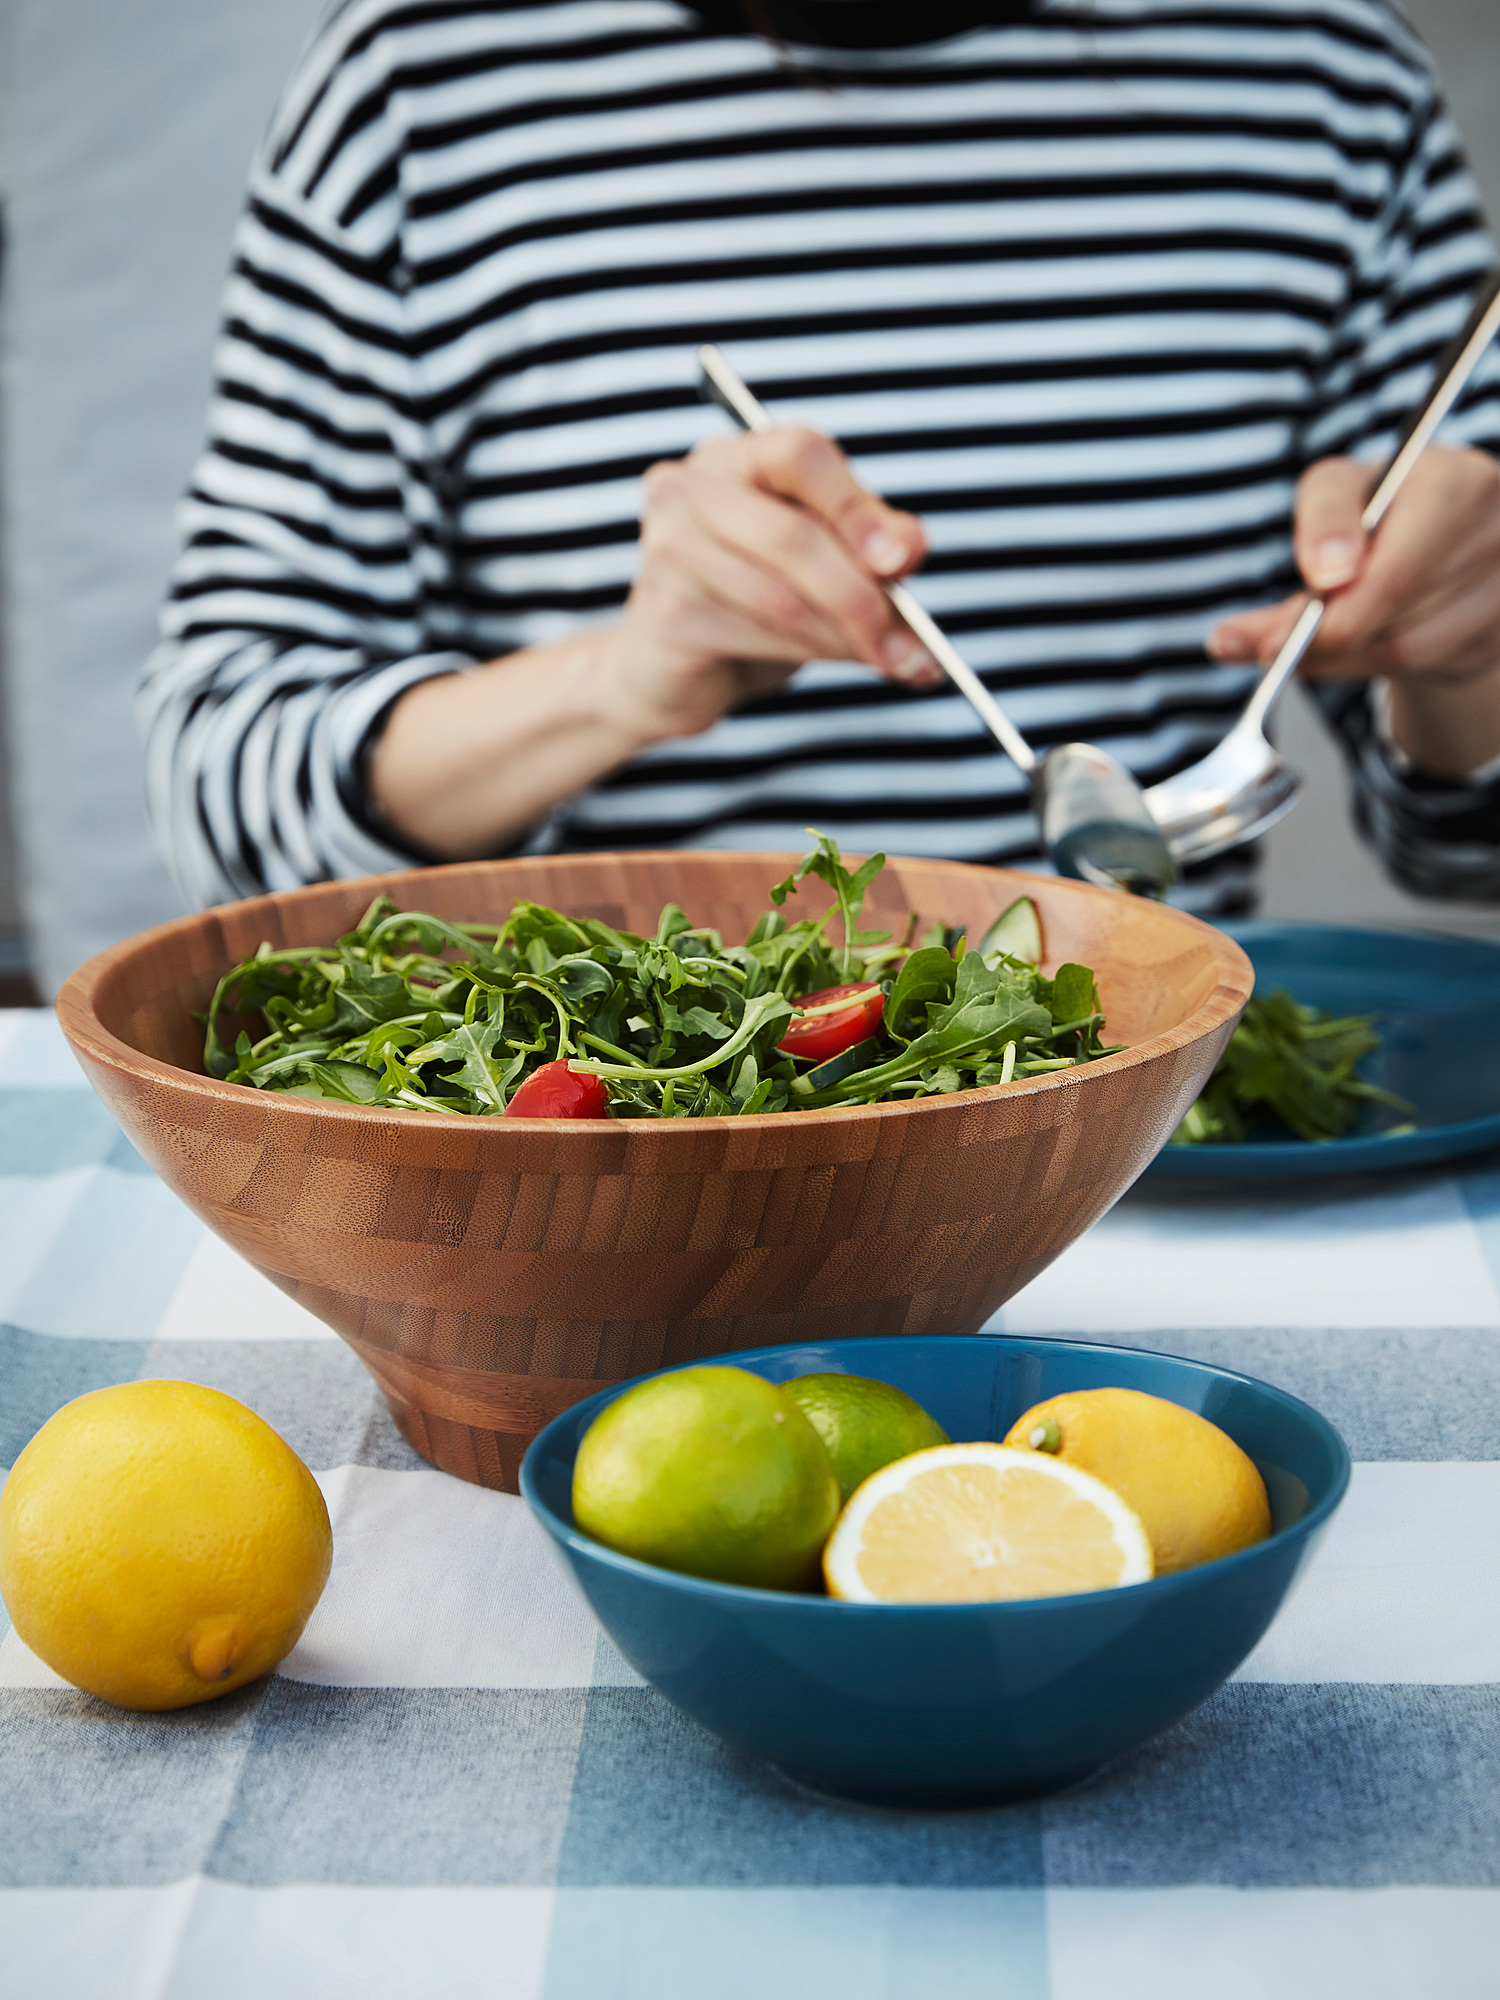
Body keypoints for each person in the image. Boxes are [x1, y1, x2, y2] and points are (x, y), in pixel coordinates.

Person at [140, 0, 1500, 916]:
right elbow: (223, 800)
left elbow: (1465, 848)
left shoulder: (1320, 68)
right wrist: (619, 685)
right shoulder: (419, 82)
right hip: (612, 1152)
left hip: (1156, 1139)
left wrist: (1467, 652)